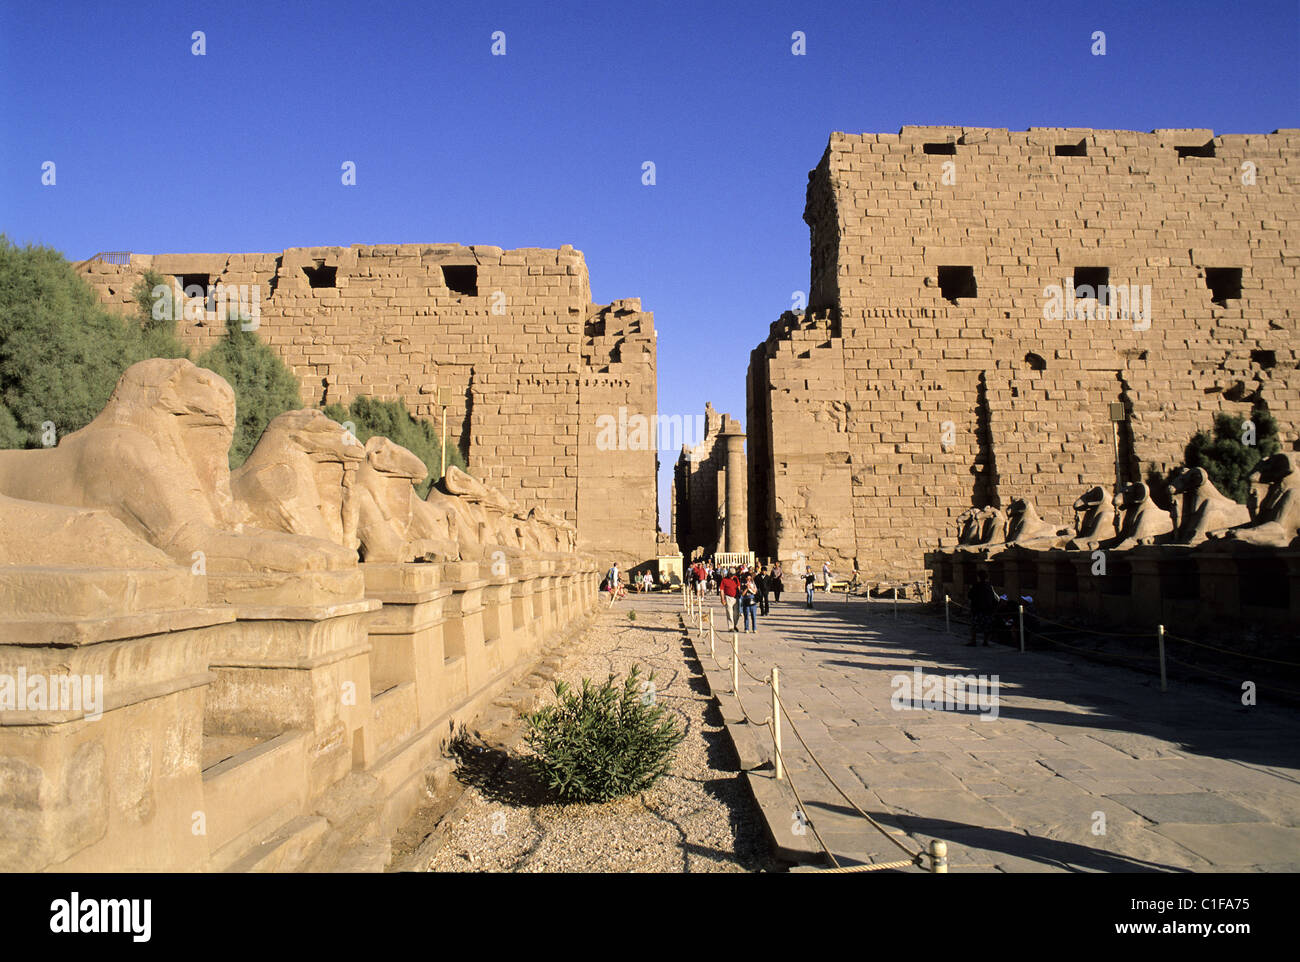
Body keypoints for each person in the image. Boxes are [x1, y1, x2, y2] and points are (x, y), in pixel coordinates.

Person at [967, 570, 1000, 647]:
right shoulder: (989, 586)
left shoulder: (975, 586)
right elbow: (996, 598)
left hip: (977, 609)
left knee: (975, 626)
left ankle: (973, 641)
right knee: (986, 626)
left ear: (978, 577)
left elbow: (970, 595)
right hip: (987, 609)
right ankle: (985, 641)